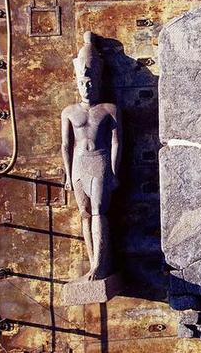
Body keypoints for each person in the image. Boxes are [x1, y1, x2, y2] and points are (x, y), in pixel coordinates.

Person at [61, 31, 122, 281]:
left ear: (98, 81)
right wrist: (67, 174)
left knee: (98, 211)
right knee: (85, 213)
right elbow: (65, 145)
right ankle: (92, 262)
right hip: (78, 165)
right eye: (81, 83)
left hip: (99, 161)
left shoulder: (109, 109)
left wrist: (115, 172)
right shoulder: (69, 111)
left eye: (90, 83)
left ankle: (99, 263)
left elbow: (117, 141)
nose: (86, 87)